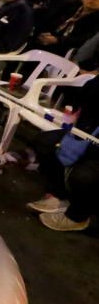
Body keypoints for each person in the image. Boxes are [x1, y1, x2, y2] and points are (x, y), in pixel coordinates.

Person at [27, 74, 99, 232]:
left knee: (85, 175)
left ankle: (78, 216)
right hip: (86, 130)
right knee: (44, 142)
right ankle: (59, 195)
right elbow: (85, 92)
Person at [31, 0, 99, 56]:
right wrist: (45, 33)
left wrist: (57, 40)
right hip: (49, 39)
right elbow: (51, 19)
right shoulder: (72, 6)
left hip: (66, 51)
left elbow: (84, 39)